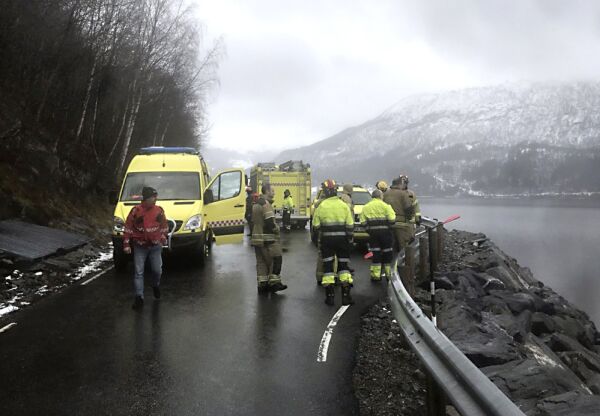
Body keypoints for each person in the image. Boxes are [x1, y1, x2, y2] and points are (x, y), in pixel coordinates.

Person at [123, 186, 168, 310]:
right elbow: (128, 228)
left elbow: (164, 225)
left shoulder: (159, 211)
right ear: (146, 198)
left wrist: (163, 237)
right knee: (138, 272)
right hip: (140, 246)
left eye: (155, 197)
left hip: (155, 246)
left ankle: (155, 285)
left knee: (157, 270)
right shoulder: (135, 211)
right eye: (153, 197)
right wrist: (126, 244)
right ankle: (139, 298)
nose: (155, 199)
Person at [312, 179, 354, 306]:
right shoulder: (343, 206)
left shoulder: (321, 206)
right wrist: (350, 240)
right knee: (344, 268)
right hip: (342, 241)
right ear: (336, 191)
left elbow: (315, 226)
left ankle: (330, 297)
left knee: (328, 268)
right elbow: (350, 226)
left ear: (324, 192)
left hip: (327, 241)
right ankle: (346, 297)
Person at [251, 183, 288, 293]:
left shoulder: (256, 204)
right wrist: (276, 229)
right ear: (266, 191)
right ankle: (275, 283)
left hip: (257, 238)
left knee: (261, 262)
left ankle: (262, 285)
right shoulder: (266, 204)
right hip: (268, 238)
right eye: (272, 190)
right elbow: (269, 222)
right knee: (276, 258)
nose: (274, 192)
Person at [360, 189, 395, 281]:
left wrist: (369, 230)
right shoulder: (386, 206)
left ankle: (376, 275)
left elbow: (363, 222)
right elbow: (392, 220)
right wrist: (387, 227)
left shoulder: (366, 207)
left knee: (376, 254)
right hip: (385, 234)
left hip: (373, 234)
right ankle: (388, 275)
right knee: (387, 253)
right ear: (381, 196)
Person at [383, 175, 416, 253]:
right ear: (399, 184)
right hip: (402, 225)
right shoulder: (403, 194)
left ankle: (391, 262)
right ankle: (402, 263)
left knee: (391, 246)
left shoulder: (386, 194)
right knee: (403, 247)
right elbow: (408, 208)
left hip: (389, 223)